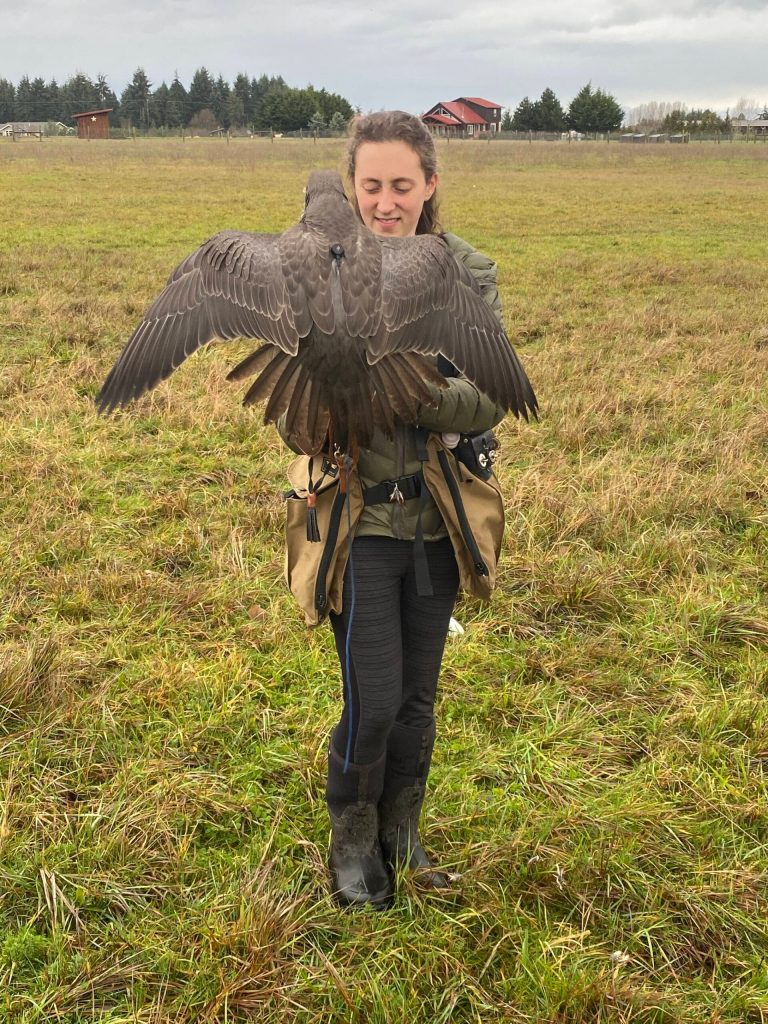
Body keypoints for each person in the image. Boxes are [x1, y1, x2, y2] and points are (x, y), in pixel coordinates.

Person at [280, 110, 507, 908]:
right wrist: (339, 400)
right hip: (360, 523)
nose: (385, 202)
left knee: (416, 702)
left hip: (439, 522)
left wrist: (404, 391)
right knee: (373, 700)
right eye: (371, 185)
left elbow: (490, 395)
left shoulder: (465, 271)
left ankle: (402, 835)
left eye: (402, 185)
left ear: (430, 185)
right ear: (352, 187)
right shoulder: (317, 274)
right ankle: (351, 843)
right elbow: (292, 419)